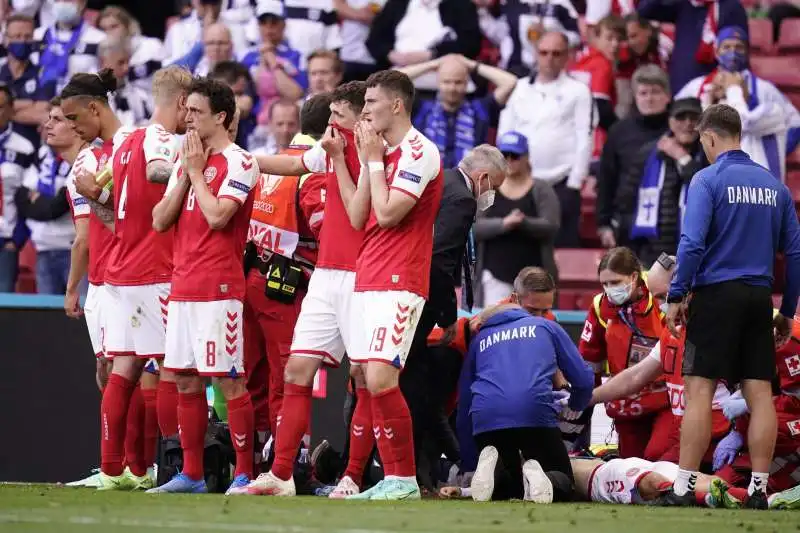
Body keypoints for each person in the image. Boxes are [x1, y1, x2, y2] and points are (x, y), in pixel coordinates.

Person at [660, 104, 800, 509]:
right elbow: (794, 253)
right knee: (760, 395)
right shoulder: (774, 186)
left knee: (700, 389)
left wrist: (676, 294)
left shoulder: (708, 180)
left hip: (716, 295)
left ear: (708, 137)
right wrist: (787, 312)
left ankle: (684, 488)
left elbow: (691, 243)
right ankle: (759, 491)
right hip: (759, 298)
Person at [80, 66, 191, 491]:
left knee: (123, 367)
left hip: (121, 270)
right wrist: (192, 168)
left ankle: (114, 471)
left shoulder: (126, 141)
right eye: (190, 107)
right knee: (170, 368)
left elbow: (112, 197)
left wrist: (98, 193)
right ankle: (172, 471)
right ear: (181, 102)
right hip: (154, 267)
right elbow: (159, 172)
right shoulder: (165, 140)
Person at [147, 78, 258, 495]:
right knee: (186, 380)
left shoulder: (241, 161)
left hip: (219, 287)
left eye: (195, 111)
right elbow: (159, 220)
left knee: (228, 381)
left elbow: (217, 217)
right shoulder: (187, 156)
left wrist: (195, 173)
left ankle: (244, 473)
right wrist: (185, 173)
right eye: (186, 110)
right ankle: (191, 474)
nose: (187, 117)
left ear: (221, 116)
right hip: (183, 284)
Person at [401, 144, 507, 491]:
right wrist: (447, 315)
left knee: (395, 383)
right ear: (484, 177)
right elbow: (441, 261)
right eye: (494, 188)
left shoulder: (440, 181)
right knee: (415, 391)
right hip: (418, 301)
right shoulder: (461, 199)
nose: (491, 196)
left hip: (396, 290)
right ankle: (411, 474)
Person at [241, 92, 329, 454]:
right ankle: (292, 461)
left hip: (252, 279)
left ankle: (251, 458)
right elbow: (329, 236)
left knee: (253, 378)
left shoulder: (272, 163)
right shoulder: (312, 172)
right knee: (290, 378)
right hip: (286, 288)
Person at [588, 254, 732, 464]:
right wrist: (587, 398)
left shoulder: (726, 330)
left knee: (656, 468)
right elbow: (635, 377)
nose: (659, 305)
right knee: (646, 464)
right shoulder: (675, 332)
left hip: (719, 431)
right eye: (656, 297)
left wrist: (738, 433)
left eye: (663, 297)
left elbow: (758, 391)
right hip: (687, 425)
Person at [457, 303, 593, 502]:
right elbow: (583, 378)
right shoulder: (546, 327)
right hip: (534, 414)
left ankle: (494, 476)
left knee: (511, 489)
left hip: (486, 418)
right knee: (564, 482)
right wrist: (576, 404)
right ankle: (546, 478)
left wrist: (469, 462)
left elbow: (465, 400)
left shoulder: (480, 339)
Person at [497, 32, 594, 248]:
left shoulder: (578, 91)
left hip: (561, 182)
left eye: (556, 53)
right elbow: (504, 133)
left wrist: (575, 184)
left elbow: (584, 137)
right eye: (544, 52)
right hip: (519, 180)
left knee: (562, 250)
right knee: (517, 247)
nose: (550, 58)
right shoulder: (518, 88)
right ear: (535, 54)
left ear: (567, 56)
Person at [579, 246, 672, 460]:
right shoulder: (600, 307)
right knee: (632, 466)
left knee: (657, 455)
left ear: (633, 277)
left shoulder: (660, 297)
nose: (609, 290)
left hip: (665, 401)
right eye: (604, 284)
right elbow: (590, 359)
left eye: (615, 283)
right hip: (625, 404)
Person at [676, 26, 800, 181]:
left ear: (747, 52)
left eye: (739, 47)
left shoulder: (764, 89)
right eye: (726, 47)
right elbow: (675, 119)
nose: (732, 53)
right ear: (716, 51)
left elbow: (794, 121)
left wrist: (780, 147)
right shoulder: (698, 86)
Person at [475, 131, 560, 306]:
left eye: (515, 155)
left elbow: (551, 225)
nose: (509, 160)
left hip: (535, 280)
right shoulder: (489, 189)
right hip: (495, 275)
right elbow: (473, 227)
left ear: (526, 157)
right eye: (504, 155)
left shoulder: (541, 189)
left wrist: (523, 222)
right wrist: (504, 224)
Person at [620, 97, 708, 266]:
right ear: (670, 121)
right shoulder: (647, 154)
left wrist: (682, 158)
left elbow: (707, 190)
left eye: (694, 118)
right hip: (652, 254)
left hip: (697, 255)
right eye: (681, 118)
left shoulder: (710, 155)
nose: (688, 123)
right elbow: (627, 201)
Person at [398, 54, 518, 169]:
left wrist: (470, 65)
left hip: (468, 184)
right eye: (447, 82)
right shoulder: (423, 109)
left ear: (466, 84)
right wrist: (433, 64)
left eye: (458, 82)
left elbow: (510, 82)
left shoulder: (480, 109)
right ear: (438, 83)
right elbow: (392, 81)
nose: (452, 88)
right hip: (428, 182)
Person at [596, 64, 671, 249]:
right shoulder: (619, 132)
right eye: (643, 93)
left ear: (667, 96)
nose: (649, 98)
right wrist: (604, 223)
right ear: (635, 97)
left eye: (655, 92)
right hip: (628, 222)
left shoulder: (678, 130)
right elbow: (607, 179)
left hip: (669, 223)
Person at [17, 99, 84, 295]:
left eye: (55, 120)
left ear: (73, 126)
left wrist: (38, 201)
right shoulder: (41, 158)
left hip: (74, 251)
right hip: (43, 250)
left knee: (81, 319)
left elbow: (58, 206)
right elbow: (21, 198)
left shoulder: (83, 159)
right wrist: (46, 205)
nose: (45, 127)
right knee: (47, 322)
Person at [0, 84, 38, 292]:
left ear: (11, 110)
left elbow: (28, 197)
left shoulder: (25, 147)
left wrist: (17, 239)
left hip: (6, 241)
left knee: (3, 307)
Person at [1, 13, 53, 149]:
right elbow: (37, 109)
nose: (23, 41)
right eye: (17, 36)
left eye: (28, 37)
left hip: (30, 154)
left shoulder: (44, 73)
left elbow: (44, 111)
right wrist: (30, 104)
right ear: (6, 39)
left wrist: (5, 111)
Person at [35, 0, 105, 94]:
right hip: (41, 102)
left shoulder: (99, 39)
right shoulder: (37, 35)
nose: (64, 2)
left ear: (83, 3)